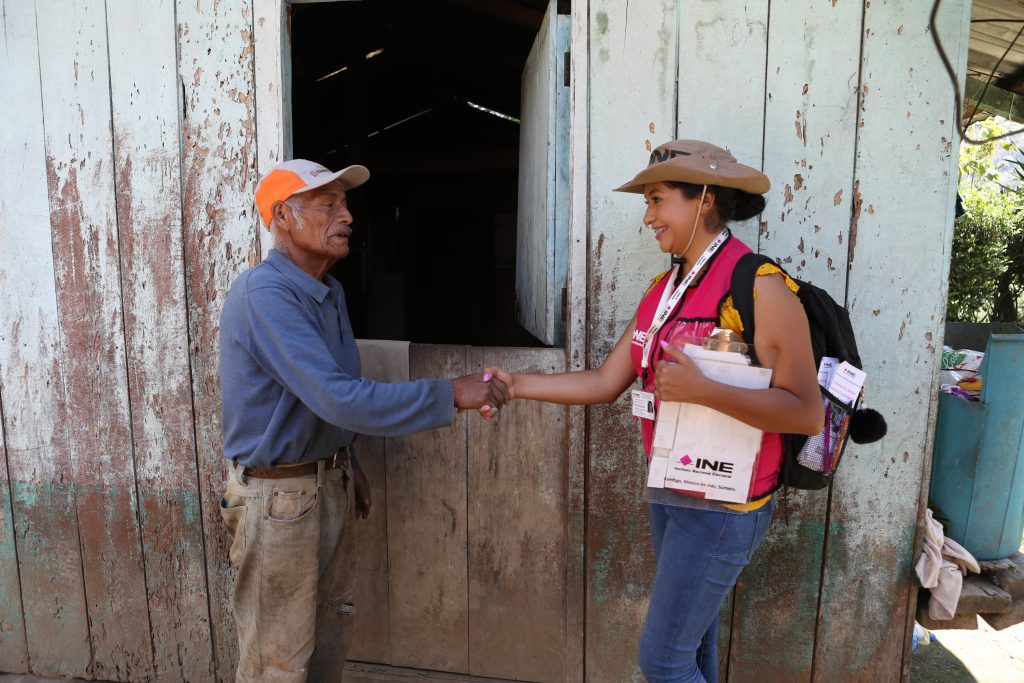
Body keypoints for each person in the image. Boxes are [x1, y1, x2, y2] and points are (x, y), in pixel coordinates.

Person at [486, 140, 823, 683]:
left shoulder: (760, 287)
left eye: (658, 199)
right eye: (648, 203)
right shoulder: (664, 290)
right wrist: (517, 385)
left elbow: (806, 413)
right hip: (670, 493)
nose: (648, 217)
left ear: (705, 198)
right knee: (693, 651)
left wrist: (704, 390)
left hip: (724, 508)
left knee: (663, 662)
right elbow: (605, 381)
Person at [218, 159, 507, 682]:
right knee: (275, 665)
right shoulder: (266, 295)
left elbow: (323, 396)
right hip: (279, 499)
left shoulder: (328, 291)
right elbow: (338, 397)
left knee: (327, 646)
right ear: (282, 216)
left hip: (322, 485)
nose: (347, 215)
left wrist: (343, 461)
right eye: (328, 203)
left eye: (345, 203)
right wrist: (450, 393)